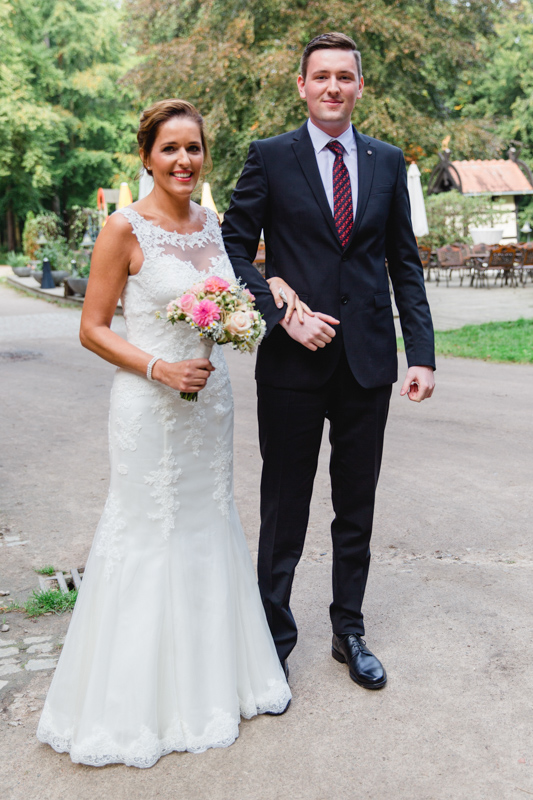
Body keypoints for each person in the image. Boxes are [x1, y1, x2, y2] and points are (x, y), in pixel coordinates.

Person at [36, 99, 291, 768]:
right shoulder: (124, 229)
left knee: (209, 523)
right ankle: (135, 702)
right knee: (149, 529)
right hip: (148, 405)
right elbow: (91, 328)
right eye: (170, 149)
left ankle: (215, 682)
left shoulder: (212, 225)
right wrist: (158, 367)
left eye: (194, 149)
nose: (183, 160)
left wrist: (249, 313)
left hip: (211, 405)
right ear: (146, 155)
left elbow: (234, 294)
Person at [222, 32, 436, 690]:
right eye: (321, 77)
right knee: (284, 507)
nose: (333, 87)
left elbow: (402, 261)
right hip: (290, 363)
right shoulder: (269, 157)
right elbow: (230, 248)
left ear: (359, 87)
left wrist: (421, 354)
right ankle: (272, 641)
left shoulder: (385, 161)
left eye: (345, 77)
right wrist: (279, 308)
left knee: (356, 505)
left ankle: (349, 630)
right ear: (301, 85)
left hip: (367, 363)